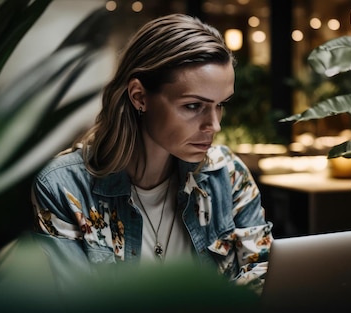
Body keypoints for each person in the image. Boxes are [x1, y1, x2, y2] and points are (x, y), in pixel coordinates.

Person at [31, 13, 273, 293]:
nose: (214, 125)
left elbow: (265, 282)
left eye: (220, 104)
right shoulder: (64, 187)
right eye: (194, 106)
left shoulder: (227, 174)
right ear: (139, 97)